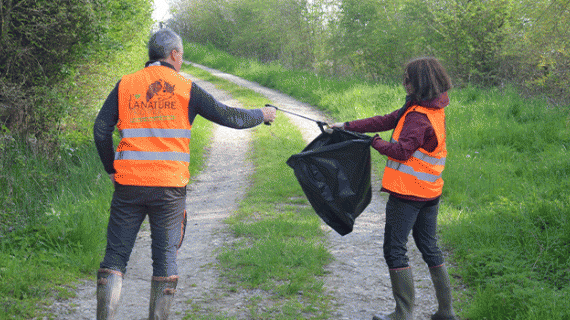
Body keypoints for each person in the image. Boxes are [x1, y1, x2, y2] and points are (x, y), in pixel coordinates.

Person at [93, 28, 276, 320]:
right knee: (164, 258)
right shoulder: (185, 87)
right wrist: (262, 114)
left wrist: (111, 168)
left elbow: (101, 130)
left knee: (115, 258)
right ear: (174, 54)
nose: (181, 62)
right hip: (169, 188)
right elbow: (228, 116)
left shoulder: (126, 84)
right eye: (182, 57)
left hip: (129, 185)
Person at [329, 57, 458, 320]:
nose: (404, 82)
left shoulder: (419, 118)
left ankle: (402, 314)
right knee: (430, 247)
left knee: (394, 249)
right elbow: (388, 119)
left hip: (409, 194)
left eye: (408, 78)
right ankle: (447, 313)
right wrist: (348, 126)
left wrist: (373, 142)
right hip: (431, 191)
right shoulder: (429, 107)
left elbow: (400, 152)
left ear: (419, 82)